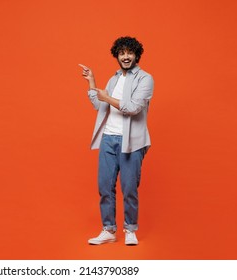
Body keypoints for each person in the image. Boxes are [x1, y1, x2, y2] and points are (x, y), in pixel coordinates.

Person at [79, 36, 154, 245]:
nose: (126, 56)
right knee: (104, 187)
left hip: (131, 141)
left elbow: (133, 108)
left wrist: (106, 98)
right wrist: (92, 82)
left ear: (136, 54)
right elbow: (100, 105)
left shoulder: (145, 79)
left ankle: (130, 229)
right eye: (122, 53)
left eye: (130, 52)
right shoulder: (113, 80)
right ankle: (109, 229)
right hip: (108, 139)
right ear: (117, 56)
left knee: (129, 188)